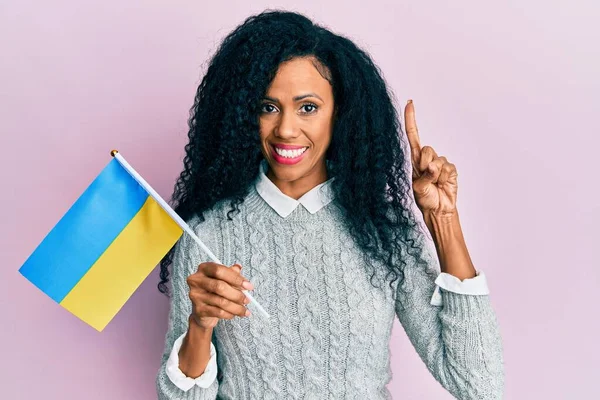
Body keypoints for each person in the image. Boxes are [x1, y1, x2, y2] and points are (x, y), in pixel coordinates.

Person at [155, 9, 504, 400]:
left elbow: (480, 386)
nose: (286, 129)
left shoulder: (382, 231)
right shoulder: (206, 232)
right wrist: (200, 324)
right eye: (268, 107)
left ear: (340, 114)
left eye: (307, 107)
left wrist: (444, 221)